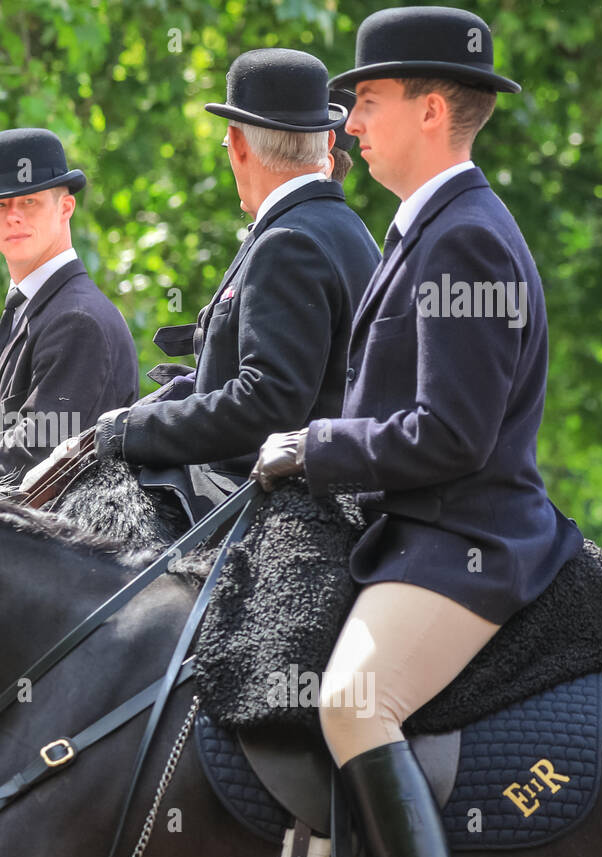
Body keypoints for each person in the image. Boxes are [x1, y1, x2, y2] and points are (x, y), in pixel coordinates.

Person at [251, 6, 584, 857]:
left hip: (464, 538)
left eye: (368, 101)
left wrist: (313, 447)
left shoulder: (465, 239)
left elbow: (452, 436)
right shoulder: (424, 230)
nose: (349, 122)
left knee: (354, 702)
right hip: (410, 531)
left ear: (432, 111)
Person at [23, 50, 380, 522]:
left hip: (287, 509)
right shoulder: (340, 227)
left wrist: (123, 430)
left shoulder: (289, 241)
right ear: (328, 138)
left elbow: (267, 404)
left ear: (237, 143)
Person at [0, 128, 138, 483]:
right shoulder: (28, 311)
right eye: (0, 204)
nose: (13, 215)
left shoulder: (78, 319)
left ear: (66, 208)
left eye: (29, 200)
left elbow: (43, 455)